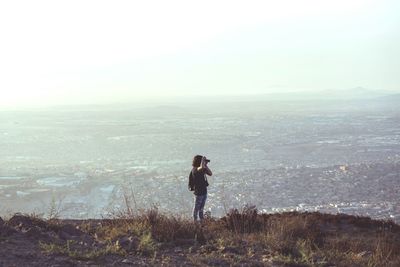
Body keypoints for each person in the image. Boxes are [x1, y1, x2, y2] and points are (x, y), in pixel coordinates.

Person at [188, 155, 212, 222]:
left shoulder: (202, 169)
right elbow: (200, 168)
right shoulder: (195, 169)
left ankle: (201, 221)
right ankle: (194, 222)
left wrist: (206, 165)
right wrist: (203, 162)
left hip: (204, 192)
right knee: (196, 209)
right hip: (198, 193)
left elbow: (210, 173)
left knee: (201, 209)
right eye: (203, 162)